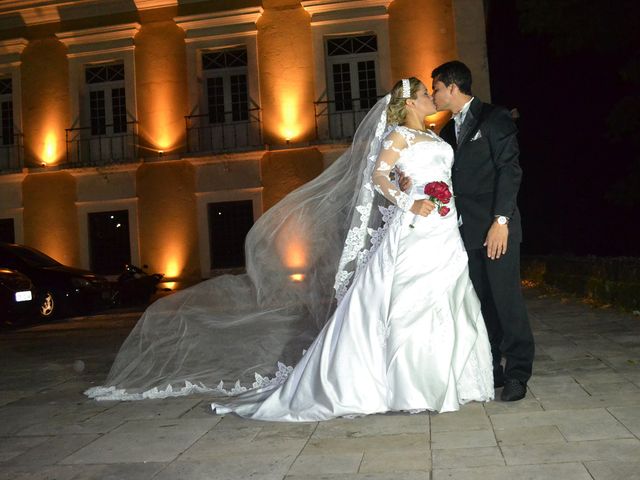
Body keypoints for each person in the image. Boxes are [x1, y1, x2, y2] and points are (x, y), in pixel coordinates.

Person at [85, 78, 494, 421]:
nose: (430, 98)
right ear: (409, 101)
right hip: (414, 227)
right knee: (410, 302)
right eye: (424, 93)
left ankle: (452, 378)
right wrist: (409, 200)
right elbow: (378, 175)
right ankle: (411, 384)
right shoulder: (399, 135)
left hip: (444, 230)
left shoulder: (431, 135)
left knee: (450, 295)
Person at [420, 61, 534, 402]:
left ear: (453, 87)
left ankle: (517, 372)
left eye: (436, 88)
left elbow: (509, 170)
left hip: (496, 227)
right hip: (464, 232)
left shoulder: (494, 117)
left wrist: (501, 221)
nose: (435, 95)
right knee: (482, 303)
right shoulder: (444, 133)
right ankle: (493, 368)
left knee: (506, 300)